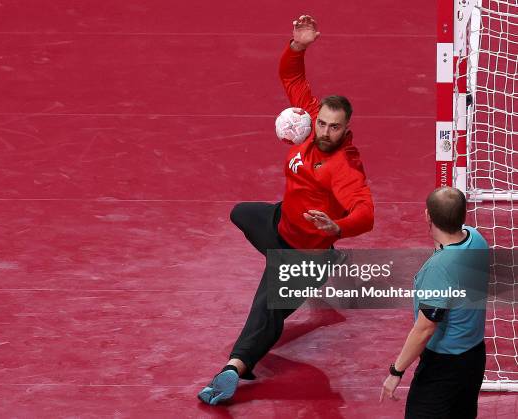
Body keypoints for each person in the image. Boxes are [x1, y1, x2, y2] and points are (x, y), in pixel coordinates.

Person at [197, 14, 375, 405]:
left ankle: (232, 370)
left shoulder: (343, 166)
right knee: (241, 213)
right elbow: (293, 80)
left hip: (305, 255)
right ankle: (288, 260)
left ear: (346, 129)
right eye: (322, 124)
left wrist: (336, 226)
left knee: (265, 314)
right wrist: (298, 47)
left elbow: (366, 211)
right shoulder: (312, 124)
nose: (325, 132)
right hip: (280, 224)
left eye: (334, 128)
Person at [380, 187, 489, 419]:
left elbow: (425, 328)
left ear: (427, 216)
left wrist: (396, 370)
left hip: (444, 366)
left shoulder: (439, 268)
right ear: (463, 216)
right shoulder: (476, 238)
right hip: (475, 356)